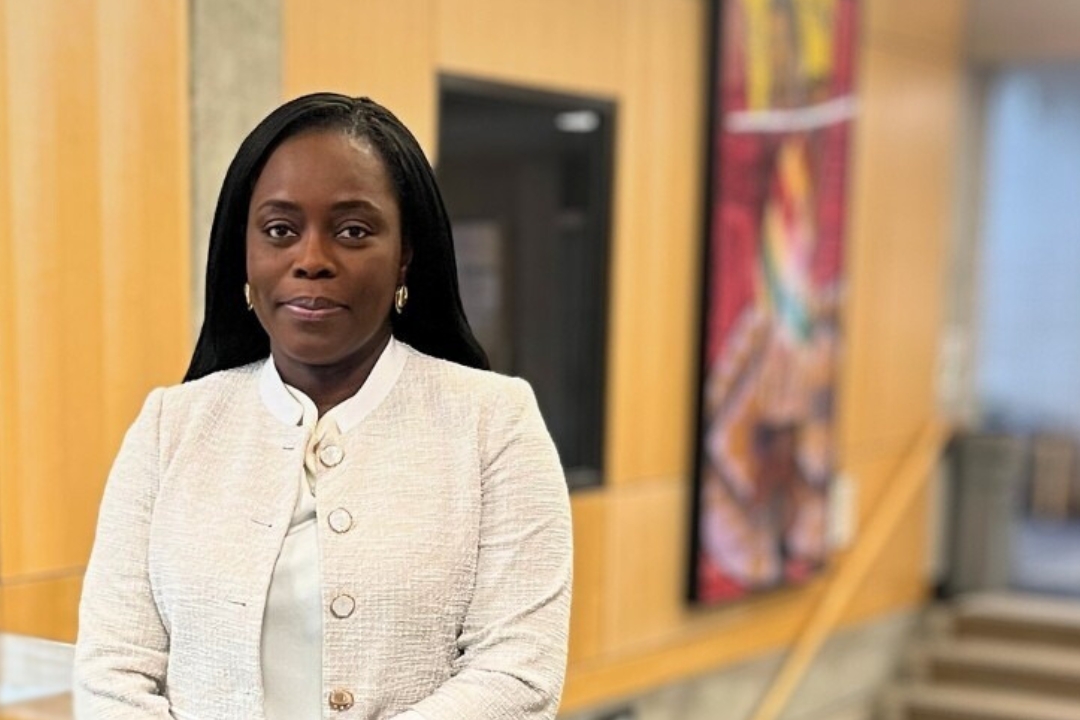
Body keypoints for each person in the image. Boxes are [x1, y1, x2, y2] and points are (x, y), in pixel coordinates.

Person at [74, 93, 573, 720]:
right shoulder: (169, 427)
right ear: (245, 254)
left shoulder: (494, 422)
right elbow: (110, 673)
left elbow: (518, 673)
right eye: (280, 230)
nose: (311, 260)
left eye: (353, 231)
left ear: (405, 254)